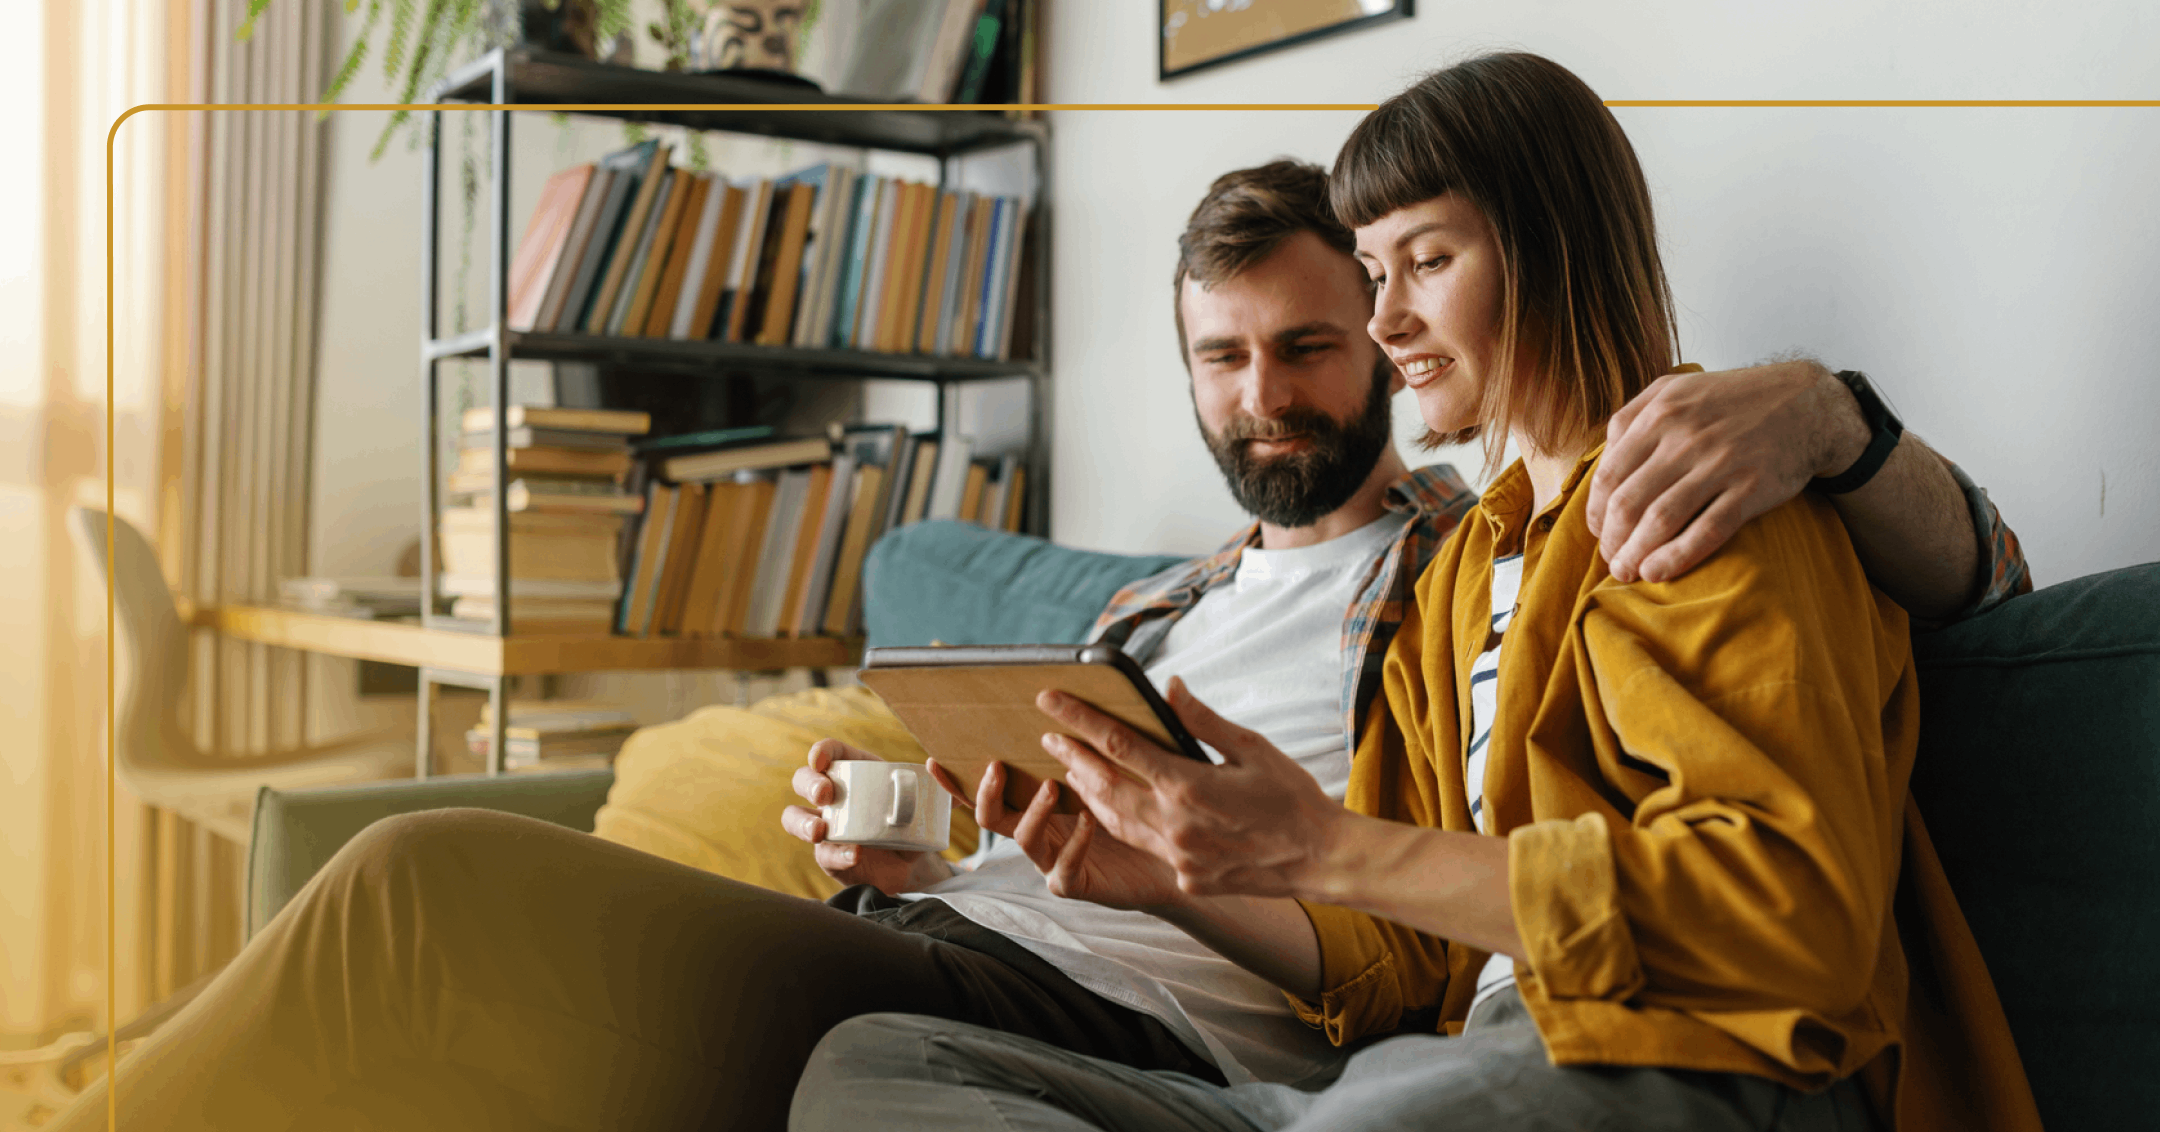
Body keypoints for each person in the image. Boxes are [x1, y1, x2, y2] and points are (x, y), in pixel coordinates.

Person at [51, 151, 2024, 1131]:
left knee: (416, 894)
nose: (1273, 393)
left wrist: (1841, 421)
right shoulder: (1143, 608)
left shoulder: (1475, 571)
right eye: (1225, 358)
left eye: (1319, 339)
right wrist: (912, 837)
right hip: (949, 940)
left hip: (1136, 1022)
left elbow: (1958, 583)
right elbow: (1044, 843)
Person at [790, 53, 2043, 1132]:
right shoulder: (1465, 574)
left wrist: (1334, 844)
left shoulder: (1706, 494)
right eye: (1374, 273)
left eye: (1424, 261)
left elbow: (1791, 921)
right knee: (882, 1062)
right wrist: (1172, 875)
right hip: (1434, 1076)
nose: (1387, 320)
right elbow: (1399, 963)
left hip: (1702, 1062)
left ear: (1548, 250)